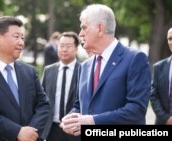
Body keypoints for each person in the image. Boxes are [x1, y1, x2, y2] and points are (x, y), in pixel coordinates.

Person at [60, 4, 151, 136]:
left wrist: (93, 121)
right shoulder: (84, 66)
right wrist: (70, 119)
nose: (80, 34)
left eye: (84, 28)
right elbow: (80, 106)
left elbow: (136, 111)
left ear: (100, 29)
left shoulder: (135, 59)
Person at [41, 31, 80, 141]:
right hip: (51, 129)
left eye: (68, 46)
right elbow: (41, 100)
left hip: (75, 129)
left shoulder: (84, 70)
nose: (64, 49)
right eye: (61, 46)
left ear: (76, 49)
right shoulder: (49, 71)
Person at [150, 27, 172, 125]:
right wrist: (166, 118)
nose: (171, 42)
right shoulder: (159, 67)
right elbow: (153, 95)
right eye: (170, 39)